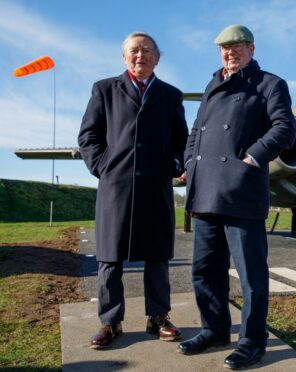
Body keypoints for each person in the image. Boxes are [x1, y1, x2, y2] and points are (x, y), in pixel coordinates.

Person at [179, 24, 295, 369]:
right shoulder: (212, 84)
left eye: (237, 47)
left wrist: (251, 158)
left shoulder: (270, 84)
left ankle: (252, 340)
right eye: (224, 48)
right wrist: (189, 162)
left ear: (251, 49)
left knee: (251, 276)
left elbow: (284, 128)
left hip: (241, 190)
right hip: (205, 191)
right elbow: (196, 133)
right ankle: (214, 330)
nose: (230, 53)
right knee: (204, 270)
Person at [78, 32, 188, 349]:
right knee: (110, 258)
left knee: (157, 256)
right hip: (116, 186)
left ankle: (158, 318)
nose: (140, 56)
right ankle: (110, 322)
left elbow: (181, 140)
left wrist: (176, 164)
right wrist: (103, 167)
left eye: (147, 50)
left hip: (155, 187)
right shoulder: (104, 89)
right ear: (124, 57)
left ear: (157, 57)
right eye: (134, 51)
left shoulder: (171, 95)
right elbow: (88, 137)